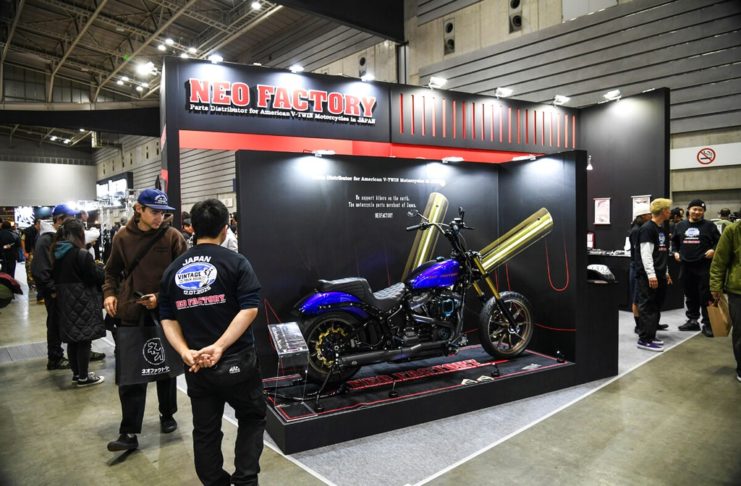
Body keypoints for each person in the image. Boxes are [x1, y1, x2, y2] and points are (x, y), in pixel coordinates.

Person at [160, 198, 264, 485]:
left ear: (192, 228)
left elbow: (167, 318)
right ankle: (245, 480)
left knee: (205, 430)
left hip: (196, 366)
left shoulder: (173, 270)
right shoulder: (237, 262)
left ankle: (215, 481)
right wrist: (219, 347)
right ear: (224, 228)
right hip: (238, 362)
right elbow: (249, 309)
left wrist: (185, 352)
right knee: (252, 418)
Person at [103, 188, 187, 452]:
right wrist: (109, 294)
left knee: (165, 367)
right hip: (130, 313)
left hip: (164, 314)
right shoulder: (122, 237)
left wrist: (160, 298)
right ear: (139, 209)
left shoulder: (173, 237)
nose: (159, 217)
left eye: (163, 213)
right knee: (130, 375)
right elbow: (111, 271)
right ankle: (128, 432)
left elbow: (184, 277)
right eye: (154, 212)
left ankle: (167, 414)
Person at [51, 219, 106, 387]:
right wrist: (100, 270)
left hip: (65, 301)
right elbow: (93, 277)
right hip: (82, 300)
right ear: (80, 234)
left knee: (73, 340)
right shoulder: (82, 254)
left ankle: (77, 375)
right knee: (84, 340)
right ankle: (84, 377)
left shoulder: (57, 253)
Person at [672, 199, 720, 336]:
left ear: (703, 212)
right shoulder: (680, 225)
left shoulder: (710, 226)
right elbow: (674, 242)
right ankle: (693, 321)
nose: (697, 212)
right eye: (695, 209)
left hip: (704, 266)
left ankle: (708, 323)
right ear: (689, 210)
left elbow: (720, 241)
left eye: (700, 210)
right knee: (690, 295)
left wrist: (713, 250)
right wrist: (675, 252)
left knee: (706, 296)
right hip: (686, 266)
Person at [635, 198, 673, 352]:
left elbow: (661, 253)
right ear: (663, 211)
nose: (670, 212)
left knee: (656, 306)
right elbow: (646, 254)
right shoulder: (647, 229)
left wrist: (666, 272)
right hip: (649, 277)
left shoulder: (660, 228)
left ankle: (651, 334)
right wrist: (651, 275)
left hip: (660, 274)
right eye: (668, 209)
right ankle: (644, 339)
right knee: (648, 306)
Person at [709, 218, 741, 383]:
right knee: (740, 331)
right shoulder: (733, 231)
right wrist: (716, 286)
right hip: (738, 291)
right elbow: (719, 261)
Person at [628, 206, 669, 333]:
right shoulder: (639, 230)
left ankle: (651, 324)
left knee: (649, 300)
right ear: (642, 216)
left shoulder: (651, 228)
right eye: (648, 214)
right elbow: (643, 253)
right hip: (638, 267)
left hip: (644, 266)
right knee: (638, 299)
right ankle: (639, 325)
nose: (651, 216)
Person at [21, 219, 41, 294]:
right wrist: (24, 252)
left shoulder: (40, 231)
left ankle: (36, 283)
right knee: (29, 268)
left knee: (37, 268)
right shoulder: (27, 231)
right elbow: (22, 240)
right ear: (37, 223)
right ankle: (31, 284)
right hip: (30, 252)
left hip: (38, 252)